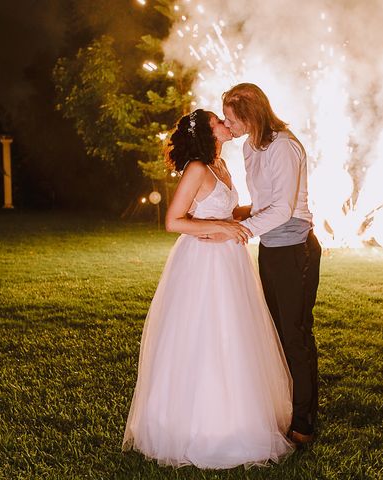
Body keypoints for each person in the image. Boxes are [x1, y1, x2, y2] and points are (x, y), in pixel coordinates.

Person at [122, 109, 294, 469]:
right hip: (201, 262)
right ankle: (194, 426)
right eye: (219, 120)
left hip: (229, 262)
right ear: (206, 131)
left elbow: (227, 212)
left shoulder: (222, 167)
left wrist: (263, 210)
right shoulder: (197, 168)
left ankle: (238, 418)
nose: (226, 124)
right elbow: (174, 221)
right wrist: (223, 228)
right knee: (203, 335)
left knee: (234, 335)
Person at [209, 83, 322, 445]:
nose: (229, 125)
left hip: (295, 248)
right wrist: (230, 215)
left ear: (251, 115)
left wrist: (239, 230)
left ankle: (304, 423)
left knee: (296, 335)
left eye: (232, 117)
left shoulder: (283, 147)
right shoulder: (249, 147)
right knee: (275, 332)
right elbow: (264, 201)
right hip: (272, 248)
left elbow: (284, 208)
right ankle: (286, 406)